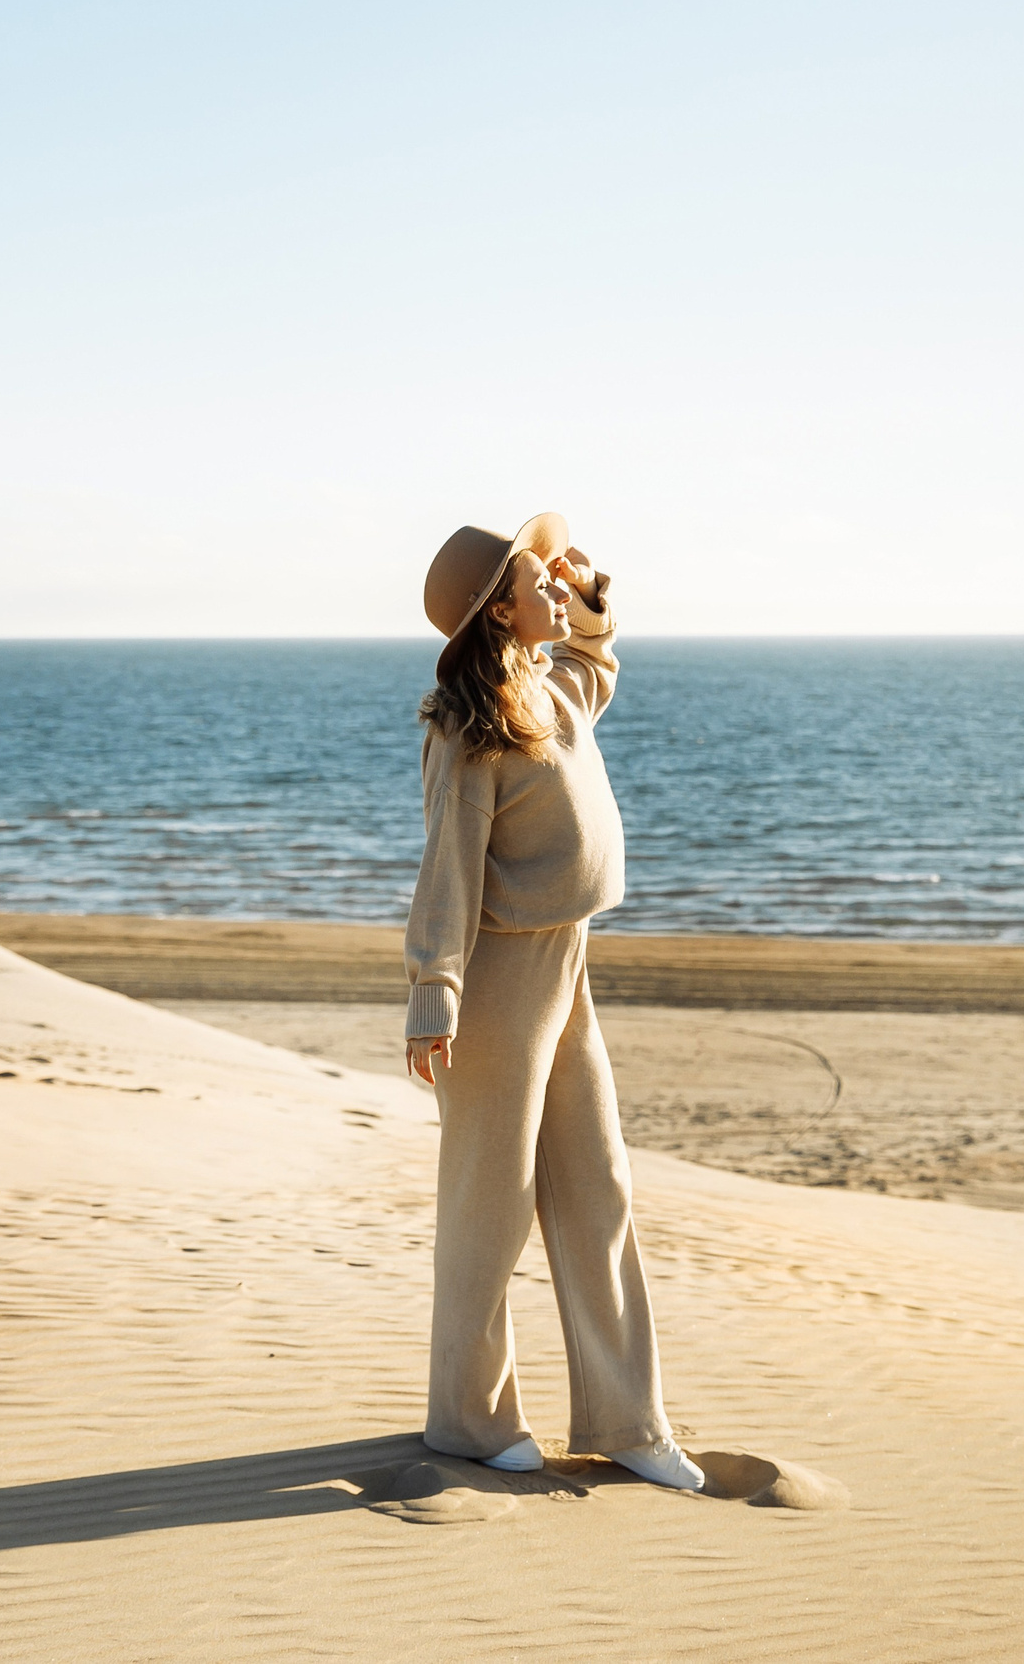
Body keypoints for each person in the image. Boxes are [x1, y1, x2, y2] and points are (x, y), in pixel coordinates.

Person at [401, 511, 705, 1492]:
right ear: (497, 609)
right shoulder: (468, 728)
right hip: (496, 977)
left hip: (567, 965)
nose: (551, 588)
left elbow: (595, 662)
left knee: (596, 1184)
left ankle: (626, 1419)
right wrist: (434, 990)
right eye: (535, 580)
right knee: (488, 1202)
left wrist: (588, 597)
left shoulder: (549, 687)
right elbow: (445, 865)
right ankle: (470, 1419)